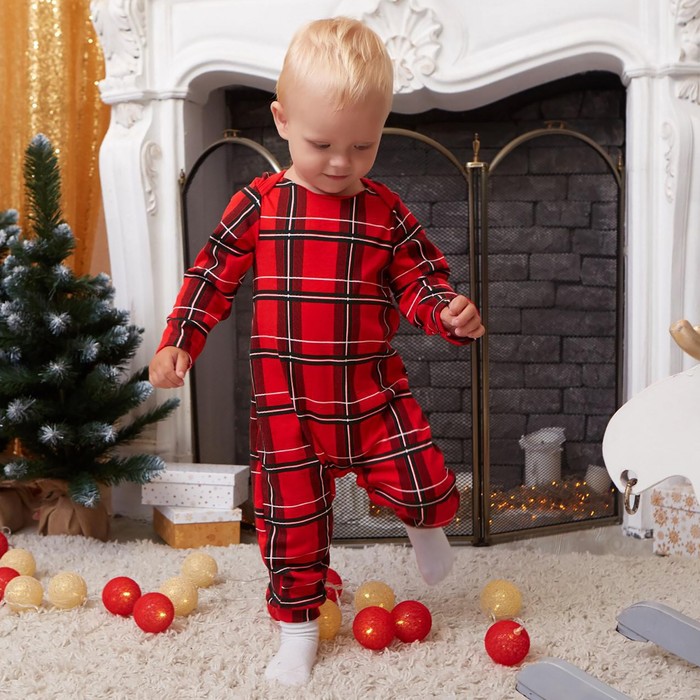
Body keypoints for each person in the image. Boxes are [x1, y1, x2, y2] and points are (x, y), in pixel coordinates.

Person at [149, 16, 485, 686]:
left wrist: (450, 313)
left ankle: (424, 527)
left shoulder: (385, 212)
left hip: (369, 391)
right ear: (282, 121)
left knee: (421, 478)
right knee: (292, 523)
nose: (340, 162)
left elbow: (421, 280)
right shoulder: (260, 204)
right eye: (322, 144)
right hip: (287, 405)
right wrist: (179, 341)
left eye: (362, 146)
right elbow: (211, 276)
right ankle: (298, 632)